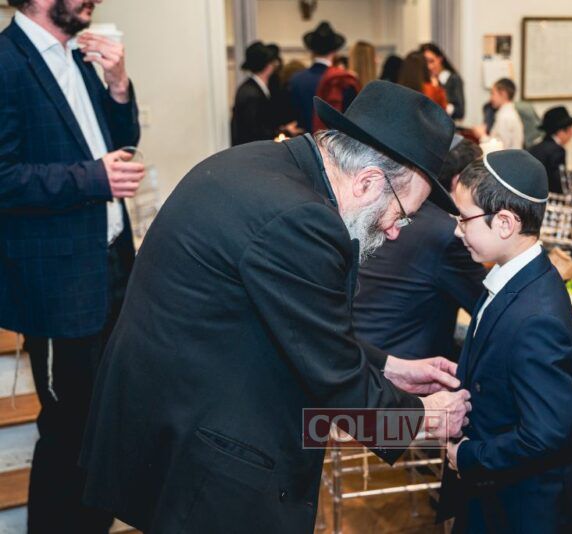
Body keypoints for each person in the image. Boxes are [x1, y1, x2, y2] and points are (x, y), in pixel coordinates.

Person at [81, 81, 472, 533]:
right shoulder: (303, 219)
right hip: (206, 447)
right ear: (367, 182)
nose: (396, 231)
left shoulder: (264, 163)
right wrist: (426, 420)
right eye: (401, 213)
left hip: (173, 412)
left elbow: (300, 325)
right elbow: (336, 382)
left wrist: (389, 367)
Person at [0, 0, 144, 532]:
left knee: (109, 424)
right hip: (59, 284)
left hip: (112, 264)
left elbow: (122, 144)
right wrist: (92, 179)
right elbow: (3, 176)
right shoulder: (5, 63)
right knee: (69, 434)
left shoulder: (80, 57)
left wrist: (119, 84)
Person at [438, 150, 572, 533]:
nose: (457, 230)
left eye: (463, 218)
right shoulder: (514, 278)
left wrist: (469, 455)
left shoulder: (537, 317)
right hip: (495, 494)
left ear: (504, 223)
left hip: (523, 509)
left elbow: (544, 434)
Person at [353, 137, 486, 361]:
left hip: (360, 350)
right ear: (458, 181)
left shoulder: (386, 208)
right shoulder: (448, 234)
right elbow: (486, 307)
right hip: (407, 366)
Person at [230, 41, 298, 146]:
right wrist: (284, 131)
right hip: (251, 151)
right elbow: (255, 132)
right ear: (268, 66)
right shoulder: (252, 94)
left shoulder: (251, 88)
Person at [289, 21, 345, 132]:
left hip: (305, 139)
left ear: (312, 51)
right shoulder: (341, 79)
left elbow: (293, 116)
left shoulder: (296, 79)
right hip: (335, 139)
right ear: (334, 51)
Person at [528, 106, 572, 194]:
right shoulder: (557, 151)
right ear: (561, 131)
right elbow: (561, 185)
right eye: (570, 129)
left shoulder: (535, 147)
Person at [473, 78, 523, 150]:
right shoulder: (508, 113)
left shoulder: (505, 117)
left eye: (492, 93)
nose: (490, 98)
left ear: (503, 94)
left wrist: (482, 135)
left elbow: (500, 149)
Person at [421, 42, 465, 120]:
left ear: (440, 59)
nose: (429, 66)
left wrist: (442, 103)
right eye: (425, 63)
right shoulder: (423, 80)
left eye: (431, 61)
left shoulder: (453, 78)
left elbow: (460, 112)